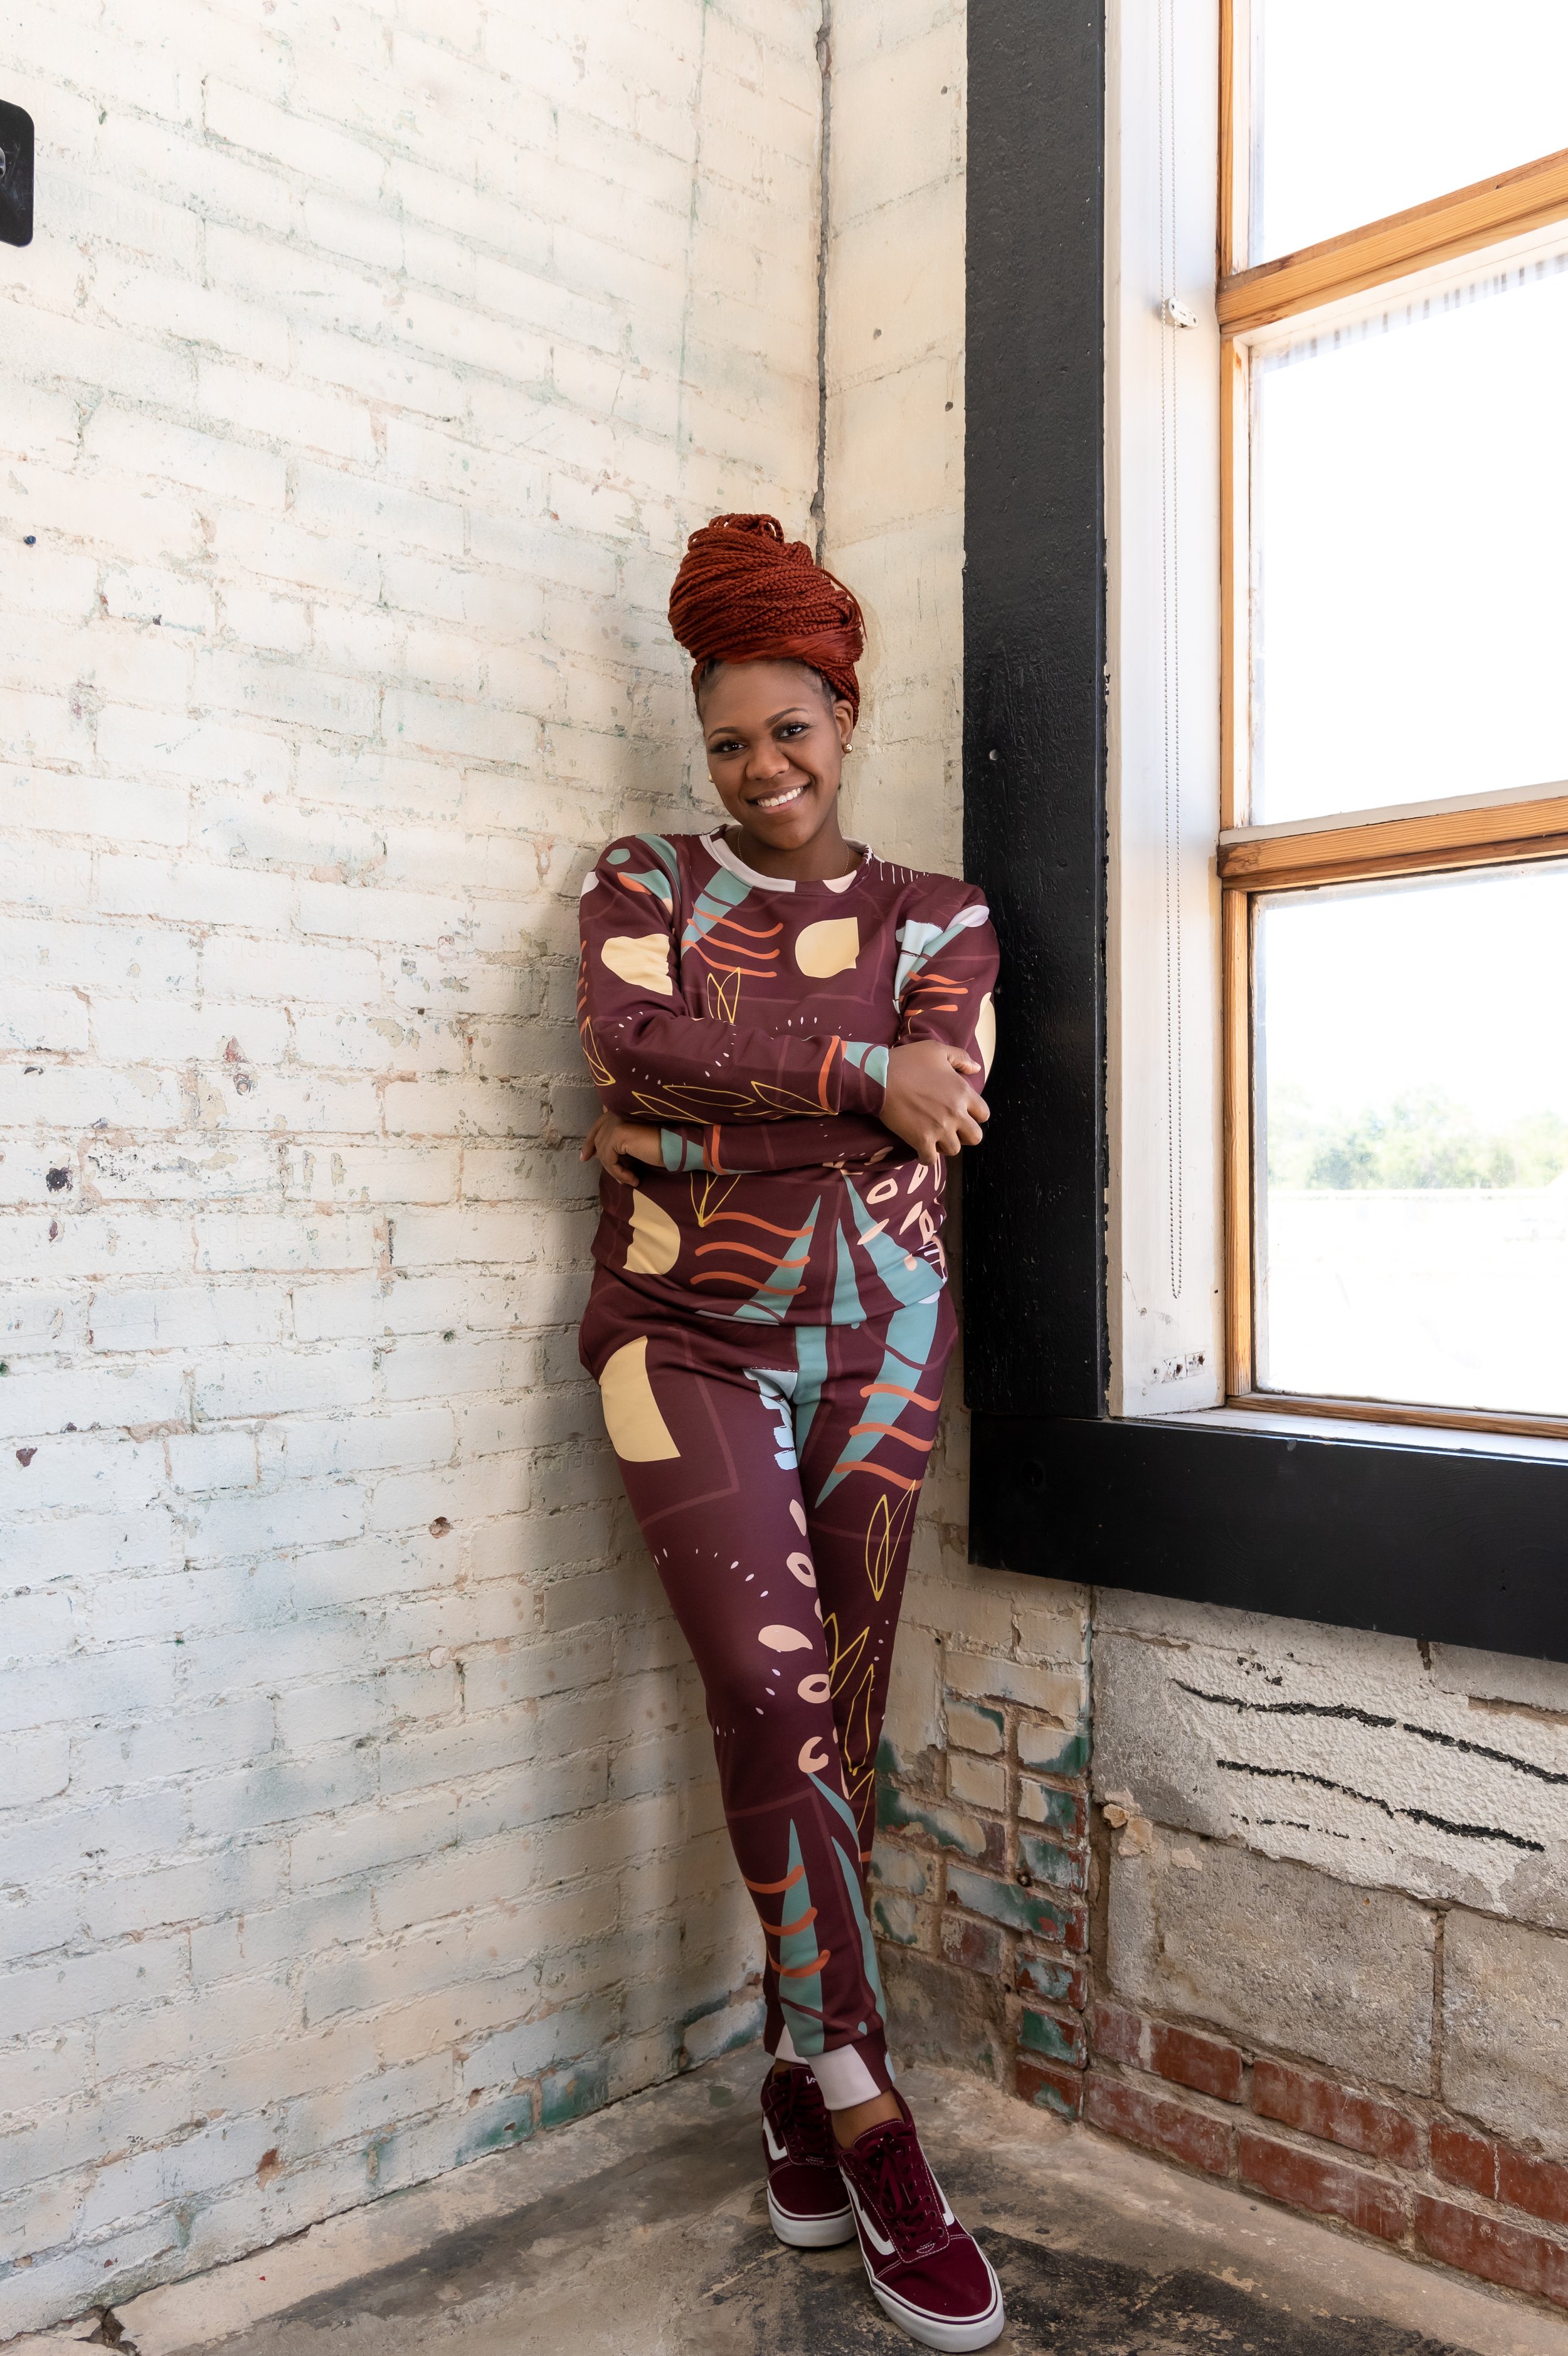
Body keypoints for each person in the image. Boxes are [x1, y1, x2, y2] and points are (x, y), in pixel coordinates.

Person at [576, 513, 1004, 2351]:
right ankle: (870, 2106)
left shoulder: (946, 916)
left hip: (882, 1349)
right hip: (675, 1341)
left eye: (788, 732)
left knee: (834, 1718)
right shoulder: (635, 876)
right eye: (728, 741)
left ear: (846, 715)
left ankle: (785, 2065)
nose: (759, 770)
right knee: (768, 1701)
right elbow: (616, 1040)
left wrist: (674, 1134)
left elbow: (942, 1112)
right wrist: (844, 1080)